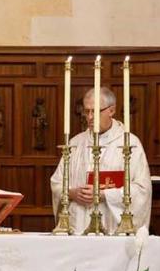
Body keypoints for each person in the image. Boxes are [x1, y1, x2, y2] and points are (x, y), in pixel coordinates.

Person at [50, 87, 152, 235]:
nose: (89, 117)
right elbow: (57, 183)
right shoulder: (76, 143)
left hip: (113, 229)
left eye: (96, 111)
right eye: (86, 111)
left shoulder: (130, 143)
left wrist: (104, 195)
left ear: (111, 110)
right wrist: (72, 193)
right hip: (79, 229)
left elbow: (142, 190)